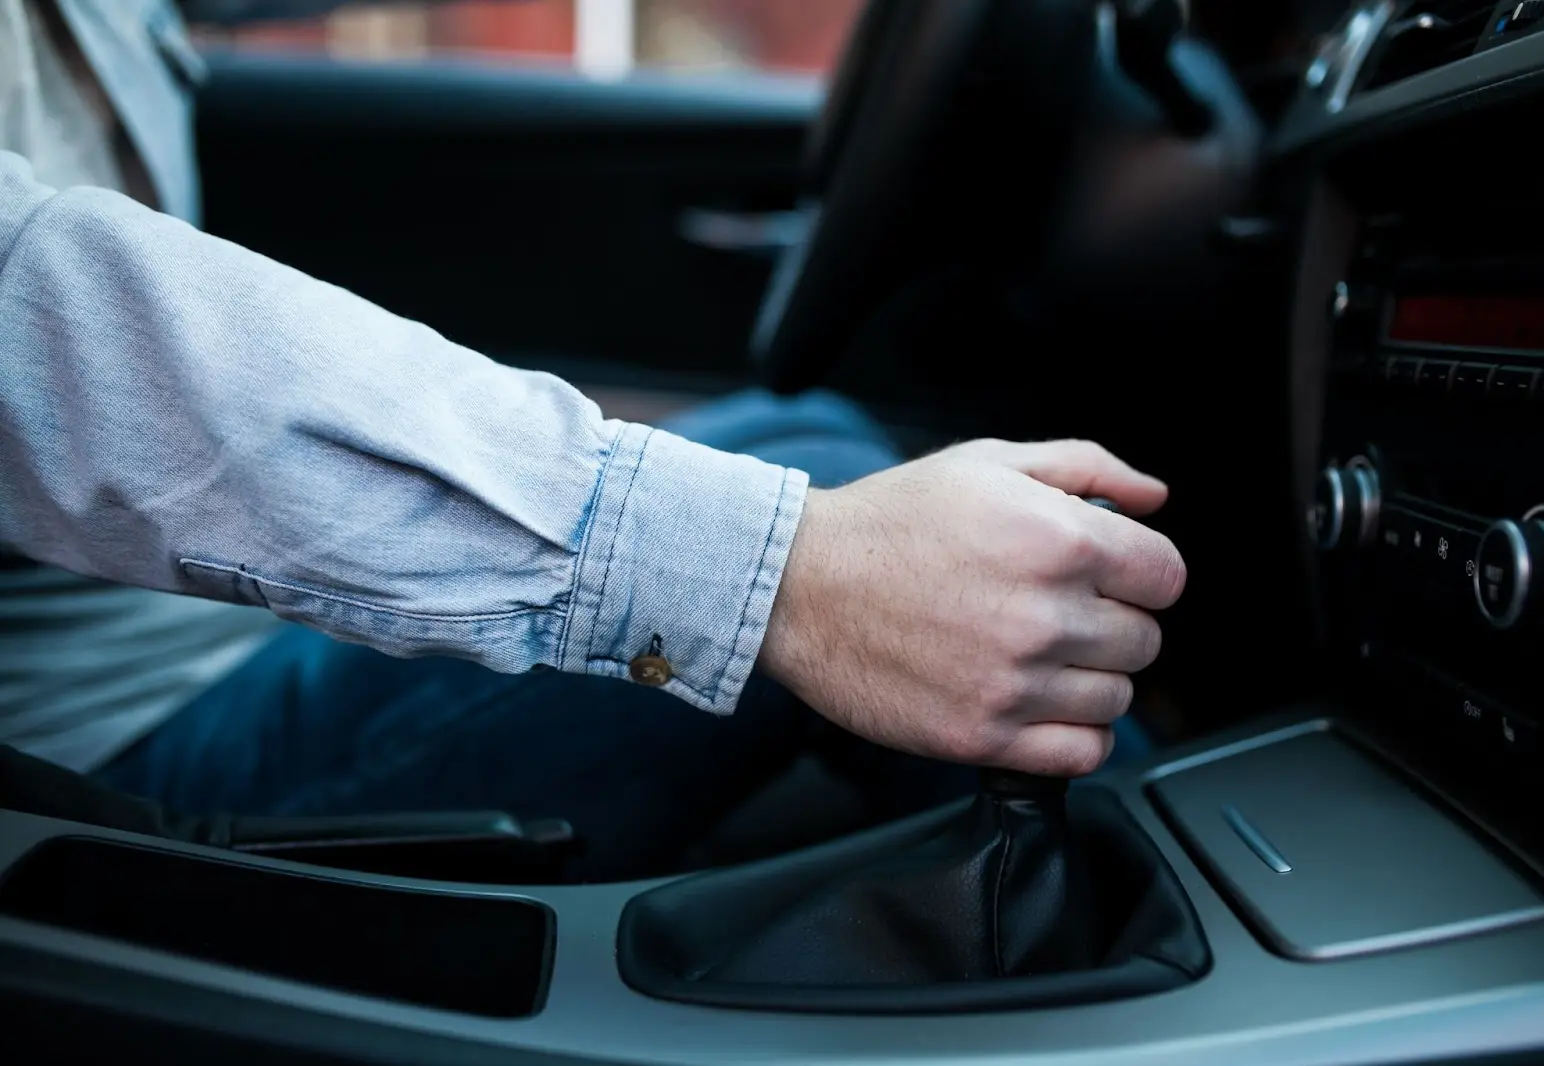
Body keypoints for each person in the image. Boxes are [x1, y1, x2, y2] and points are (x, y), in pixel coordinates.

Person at [0, 0, 1186, 880]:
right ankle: (1165, 962)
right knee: (821, 505)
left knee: (812, 442)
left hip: (197, 636)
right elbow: (41, 322)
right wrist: (775, 575)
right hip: (90, 772)